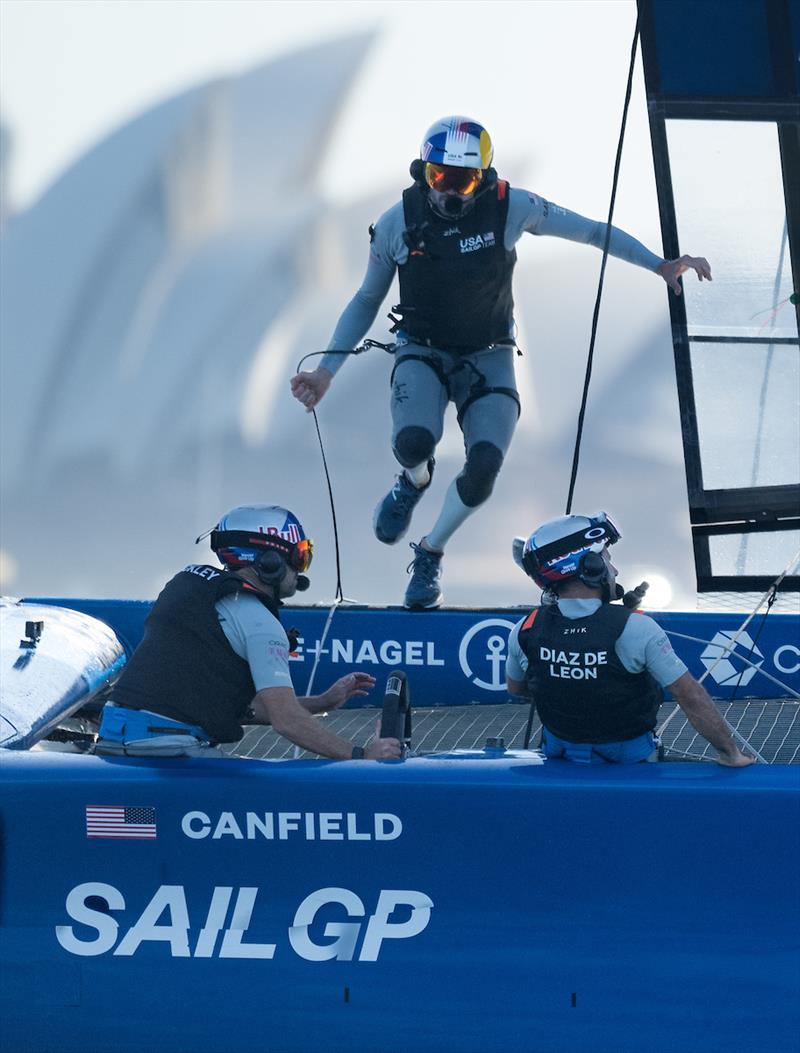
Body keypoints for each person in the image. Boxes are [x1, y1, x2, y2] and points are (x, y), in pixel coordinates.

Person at [290, 115, 712, 609]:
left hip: (488, 357)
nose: (448, 192)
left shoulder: (512, 206)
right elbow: (365, 300)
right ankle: (414, 480)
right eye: (438, 177)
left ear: (483, 179)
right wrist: (326, 372)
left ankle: (430, 553)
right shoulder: (396, 224)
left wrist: (659, 264)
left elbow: (592, 232)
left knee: (485, 464)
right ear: (423, 173)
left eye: (462, 180)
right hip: (421, 351)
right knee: (413, 443)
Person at [94, 504, 402, 760]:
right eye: (300, 557)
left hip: (114, 736)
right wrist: (363, 757)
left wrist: (323, 701)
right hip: (164, 749)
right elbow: (287, 721)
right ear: (269, 561)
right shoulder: (260, 623)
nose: (301, 570)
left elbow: (229, 707)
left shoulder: (189, 590)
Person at [505, 511, 754, 766]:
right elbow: (690, 696)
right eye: (607, 560)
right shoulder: (636, 628)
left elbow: (516, 688)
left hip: (559, 755)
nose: (614, 570)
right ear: (591, 567)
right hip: (628, 759)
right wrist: (731, 754)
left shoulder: (524, 628)